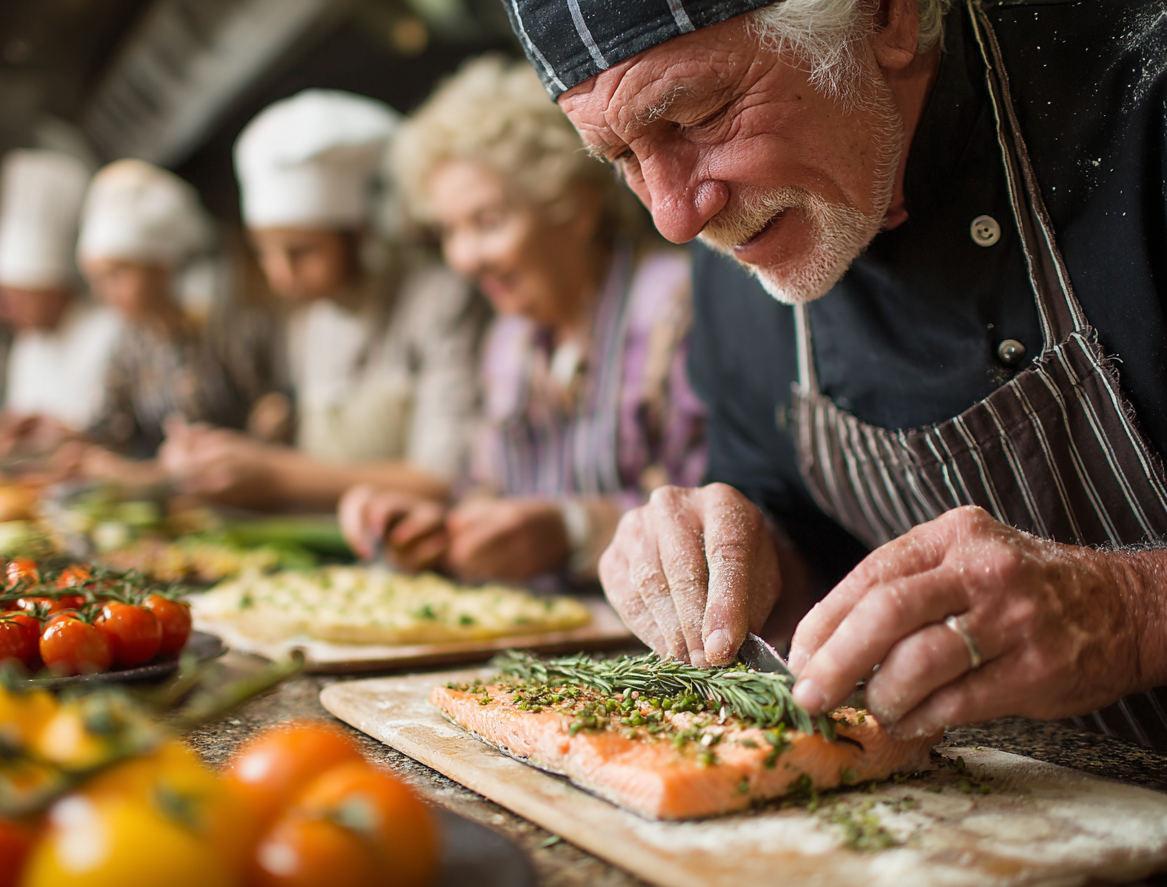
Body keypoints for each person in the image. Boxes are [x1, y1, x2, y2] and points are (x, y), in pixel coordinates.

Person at [499, 0, 1167, 748]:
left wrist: (1133, 611)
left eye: (699, 118)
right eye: (623, 157)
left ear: (885, 18)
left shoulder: (1146, 99)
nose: (675, 219)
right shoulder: (736, 256)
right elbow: (799, 533)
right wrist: (743, 565)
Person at [339, 56, 706, 585]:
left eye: (487, 222)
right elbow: (486, 491)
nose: (464, 258)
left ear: (576, 208)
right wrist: (434, 526)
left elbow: (725, 509)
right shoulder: (509, 340)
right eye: (449, 231)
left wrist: (571, 531)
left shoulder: (672, 307)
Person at [157, 90, 487, 512]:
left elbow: (443, 478)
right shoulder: (309, 322)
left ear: (360, 235)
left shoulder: (439, 300)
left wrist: (275, 472)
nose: (279, 275)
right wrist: (239, 449)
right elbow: (319, 459)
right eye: (264, 252)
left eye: (301, 252)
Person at [66, 159, 274, 478]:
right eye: (97, 279)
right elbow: (110, 429)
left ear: (162, 269)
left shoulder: (231, 333)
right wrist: (63, 436)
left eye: (116, 275)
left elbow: (270, 411)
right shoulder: (129, 346)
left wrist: (262, 431)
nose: (104, 293)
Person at [0, 149, 121, 458]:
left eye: (15, 296)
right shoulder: (29, 343)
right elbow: (19, 436)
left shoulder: (113, 333)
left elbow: (117, 439)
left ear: (53, 288)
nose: (0, 310)